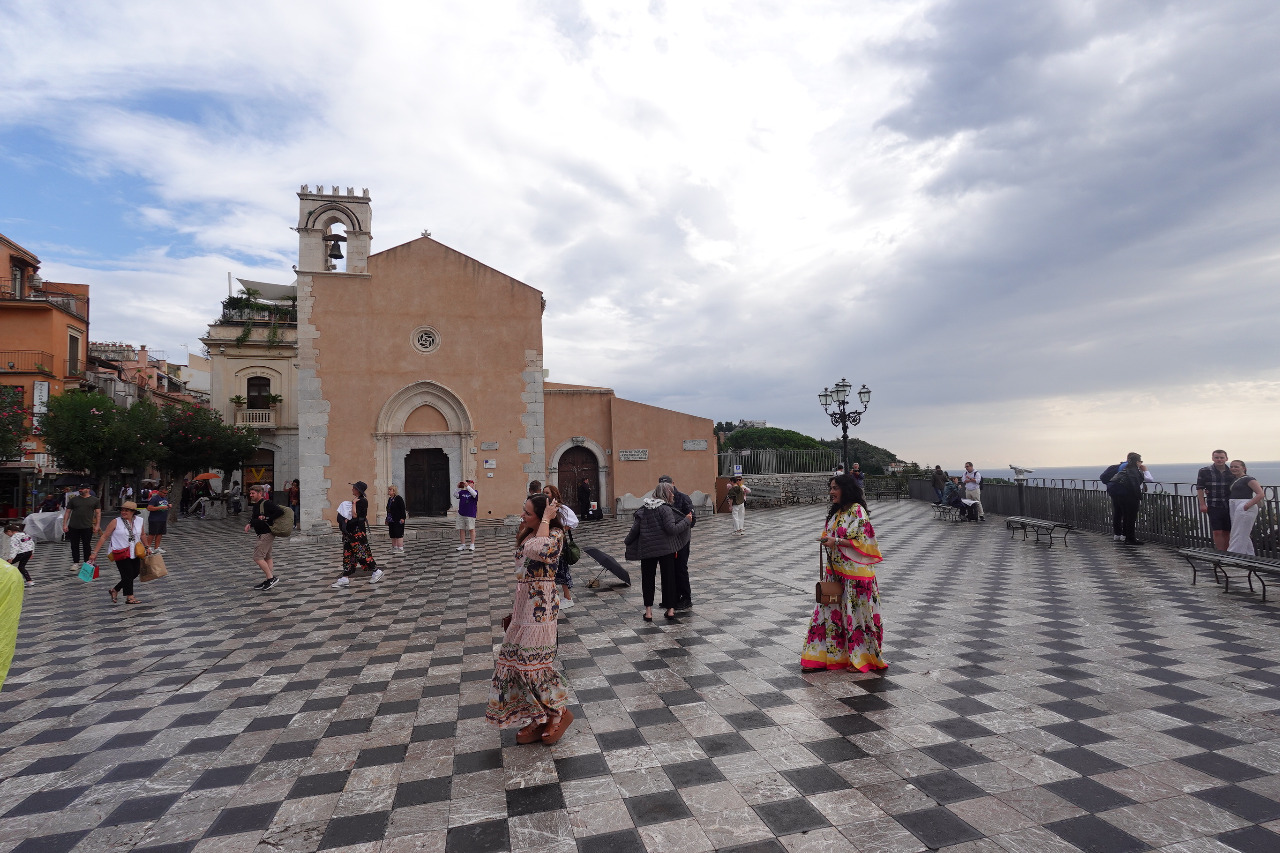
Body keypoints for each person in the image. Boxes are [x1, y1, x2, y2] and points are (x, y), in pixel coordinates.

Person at [486, 492, 573, 745]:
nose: (522, 516)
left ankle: (559, 712)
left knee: (534, 666)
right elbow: (522, 570)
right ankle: (539, 716)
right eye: (523, 510)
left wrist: (546, 519)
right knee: (515, 664)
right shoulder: (529, 533)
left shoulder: (554, 534)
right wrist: (515, 611)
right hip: (524, 604)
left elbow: (541, 550)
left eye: (528, 512)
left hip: (541, 607)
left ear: (543, 515)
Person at [801, 473, 887, 672]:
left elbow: (863, 540)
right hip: (836, 573)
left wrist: (836, 541)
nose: (831, 492)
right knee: (829, 614)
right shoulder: (837, 511)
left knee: (856, 617)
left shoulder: (857, 511)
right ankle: (823, 657)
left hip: (855, 576)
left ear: (845, 489)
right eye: (830, 488)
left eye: (835, 488)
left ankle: (861, 659)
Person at [625, 482, 693, 621]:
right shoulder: (666, 509)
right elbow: (672, 529)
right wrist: (686, 521)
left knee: (647, 579)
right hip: (666, 550)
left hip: (647, 550)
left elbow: (634, 530)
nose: (673, 494)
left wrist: (627, 541)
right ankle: (670, 610)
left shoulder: (643, 509)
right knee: (668, 578)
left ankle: (648, 612)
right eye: (671, 492)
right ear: (665, 494)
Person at [88, 501, 145, 604]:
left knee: (135, 572)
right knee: (127, 574)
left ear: (133, 512)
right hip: (120, 552)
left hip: (135, 551)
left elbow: (143, 535)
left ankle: (115, 589)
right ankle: (130, 597)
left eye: (126, 511)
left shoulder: (139, 521)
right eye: (122, 510)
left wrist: (147, 546)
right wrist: (94, 553)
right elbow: (104, 536)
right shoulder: (116, 521)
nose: (123, 512)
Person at [659, 474, 697, 611]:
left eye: (668, 485)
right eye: (662, 486)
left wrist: (678, 526)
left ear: (673, 484)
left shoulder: (683, 498)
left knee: (680, 568)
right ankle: (671, 598)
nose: (666, 488)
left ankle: (686, 598)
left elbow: (692, 519)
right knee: (669, 569)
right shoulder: (659, 500)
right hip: (667, 541)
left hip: (681, 540)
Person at [333, 481, 381, 587]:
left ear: (358, 490)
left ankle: (376, 571)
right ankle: (345, 577)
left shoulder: (362, 501)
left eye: (354, 488)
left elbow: (355, 516)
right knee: (348, 554)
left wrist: (354, 504)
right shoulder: (356, 499)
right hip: (350, 533)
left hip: (357, 533)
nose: (352, 489)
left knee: (362, 553)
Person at [543, 483, 578, 608]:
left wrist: (561, 530)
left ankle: (568, 598)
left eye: (547, 493)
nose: (545, 494)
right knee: (549, 570)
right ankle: (553, 597)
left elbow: (574, 522)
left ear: (553, 494)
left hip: (559, 544)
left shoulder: (561, 508)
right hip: (547, 543)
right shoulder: (544, 507)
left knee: (562, 570)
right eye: (543, 492)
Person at [244, 484, 282, 590]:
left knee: (257, 557)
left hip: (266, 533)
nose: (251, 495)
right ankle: (268, 580)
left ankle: (271, 578)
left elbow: (280, 511)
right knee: (267, 557)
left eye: (253, 493)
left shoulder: (267, 503)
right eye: (250, 493)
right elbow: (254, 517)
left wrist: (267, 518)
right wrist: (250, 524)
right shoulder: (256, 505)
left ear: (260, 493)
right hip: (262, 533)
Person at [1107, 452, 1147, 545]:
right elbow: (1134, 485)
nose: (1141, 463)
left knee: (1125, 516)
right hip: (1130, 496)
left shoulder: (1126, 469)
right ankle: (1130, 538)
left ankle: (1126, 537)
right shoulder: (1133, 471)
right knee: (1131, 517)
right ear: (1137, 462)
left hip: (1120, 495)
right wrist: (1138, 496)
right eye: (1140, 461)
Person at [1197, 450, 1234, 551]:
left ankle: (1227, 552)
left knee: (1227, 530)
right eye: (1217, 457)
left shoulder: (1232, 471)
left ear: (1226, 458)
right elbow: (1200, 488)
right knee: (1217, 531)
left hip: (1229, 504)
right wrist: (1202, 504)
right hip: (1214, 504)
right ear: (1213, 458)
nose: (1219, 460)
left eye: (1221, 458)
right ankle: (1220, 552)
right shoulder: (1204, 471)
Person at [1227, 460, 1266, 555]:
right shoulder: (1235, 479)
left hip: (1244, 505)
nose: (1233, 468)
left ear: (1243, 468)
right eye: (1231, 467)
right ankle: (1249, 555)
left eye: (1236, 466)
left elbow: (1260, 494)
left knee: (1238, 532)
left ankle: (1234, 555)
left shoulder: (1249, 479)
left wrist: (1247, 505)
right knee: (1242, 532)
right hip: (1236, 505)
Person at [62, 484, 101, 569]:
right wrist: (65, 524)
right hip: (73, 526)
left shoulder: (95, 500)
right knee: (74, 545)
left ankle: (86, 562)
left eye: (82, 489)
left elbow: (98, 513)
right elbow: (67, 512)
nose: (80, 490)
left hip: (87, 526)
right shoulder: (74, 500)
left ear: (88, 489)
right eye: (79, 489)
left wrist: (97, 525)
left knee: (86, 545)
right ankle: (75, 562)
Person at [145, 485, 170, 554]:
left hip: (162, 518)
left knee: (160, 533)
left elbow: (165, 506)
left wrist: (168, 506)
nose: (165, 495)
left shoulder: (165, 498)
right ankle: (148, 547)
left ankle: (156, 547)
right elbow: (149, 508)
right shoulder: (154, 498)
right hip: (155, 519)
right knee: (152, 533)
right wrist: (160, 508)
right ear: (159, 491)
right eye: (164, 493)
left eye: (166, 493)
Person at [456, 480, 479, 551]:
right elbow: (455, 495)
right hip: (461, 513)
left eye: (469, 483)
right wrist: (458, 487)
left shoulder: (475, 492)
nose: (468, 484)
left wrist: (467, 486)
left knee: (471, 529)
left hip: (470, 514)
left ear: (473, 484)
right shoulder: (462, 492)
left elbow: (474, 494)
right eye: (467, 483)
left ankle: (472, 545)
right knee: (461, 529)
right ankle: (463, 545)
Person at [386, 485, 407, 554]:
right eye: (389, 490)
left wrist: (403, 518)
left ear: (394, 491)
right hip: (391, 519)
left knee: (398, 533)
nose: (389, 491)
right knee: (392, 533)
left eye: (390, 490)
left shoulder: (398, 498)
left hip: (398, 519)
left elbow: (402, 508)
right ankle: (394, 547)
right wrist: (387, 519)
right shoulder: (390, 499)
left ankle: (400, 548)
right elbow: (388, 510)